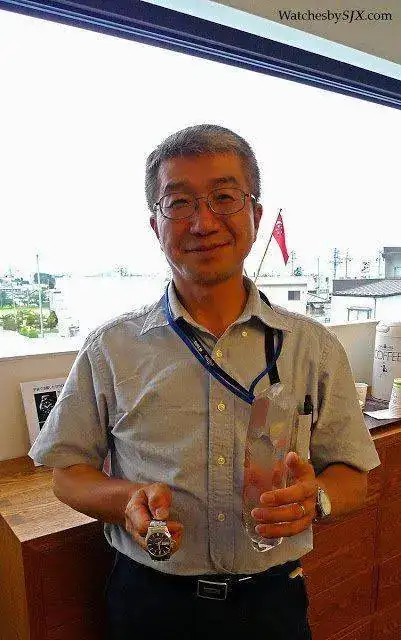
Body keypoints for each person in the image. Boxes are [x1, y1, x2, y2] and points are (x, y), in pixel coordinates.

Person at [29, 124, 381, 639]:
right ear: (155, 224)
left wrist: (317, 499)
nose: (203, 221)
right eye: (179, 203)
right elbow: (66, 472)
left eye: (224, 197)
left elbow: (353, 474)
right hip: (150, 604)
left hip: (272, 603)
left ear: (255, 215)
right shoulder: (110, 348)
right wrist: (125, 500)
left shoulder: (314, 347)